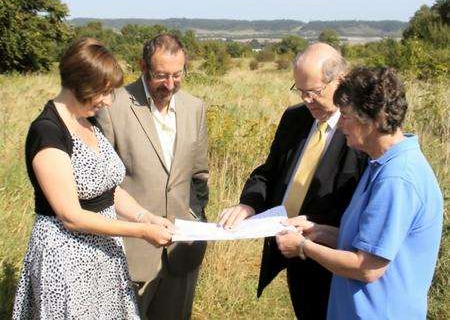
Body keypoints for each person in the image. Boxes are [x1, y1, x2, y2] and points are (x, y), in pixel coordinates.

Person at [12, 37, 175, 319]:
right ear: (79, 84)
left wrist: (145, 217)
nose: (108, 101)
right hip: (66, 263)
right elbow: (71, 216)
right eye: (103, 92)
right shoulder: (48, 132)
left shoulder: (87, 120)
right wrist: (142, 233)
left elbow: (108, 188)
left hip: (103, 255)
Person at [276, 67, 443, 320]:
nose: (340, 124)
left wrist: (303, 247)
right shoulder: (380, 163)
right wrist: (317, 230)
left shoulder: (397, 179)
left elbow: (367, 267)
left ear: (373, 119)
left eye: (346, 116)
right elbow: (367, 240)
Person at [219, 43, 367, 319]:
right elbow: (270, 172)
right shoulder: (295, 118)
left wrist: (319, 233)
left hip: (335, 259)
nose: (307, 100)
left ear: (341, 81)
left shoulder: (360, 131)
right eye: (300, 91)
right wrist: (248, 205)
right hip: (293, 254)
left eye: (314, 92)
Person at [96, 33, 209, 320]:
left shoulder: (195, 108)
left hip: (182, 254)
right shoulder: (113, 106)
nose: (170, 85)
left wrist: (195, 219)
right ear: (142, 67)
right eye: (161, 76)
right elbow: (101, 183)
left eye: (177, 75)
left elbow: (199, 175)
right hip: (128, 255)